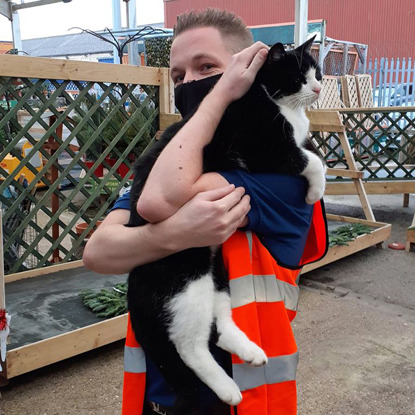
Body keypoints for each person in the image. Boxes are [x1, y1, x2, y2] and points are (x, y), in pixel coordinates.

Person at [83, 8, 327, 415]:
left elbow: (159, 200)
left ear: (246, 72)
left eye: (207, 67)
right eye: (178, 76)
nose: (191, 83)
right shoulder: (177, 153)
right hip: (163, 395)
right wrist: (171, 236)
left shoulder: (286, 173)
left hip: (246, 401)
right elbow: (99, 252)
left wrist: (222, 97)